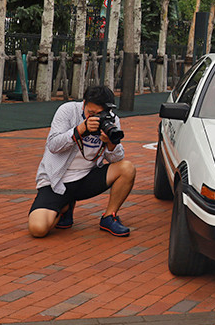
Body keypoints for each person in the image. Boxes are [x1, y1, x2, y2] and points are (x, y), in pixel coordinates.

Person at [28, 86, 136, 238]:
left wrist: (111, 144)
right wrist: (80, 129)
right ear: (84, 103)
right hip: (56, 181)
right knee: (37, 229)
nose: (95, 118)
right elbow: (53, 145)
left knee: (127, 168)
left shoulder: (112, 120)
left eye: (100, 114)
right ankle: (65, 207)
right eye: (90, 113)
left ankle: (109, 216)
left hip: (86, 179)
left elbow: (117, 160)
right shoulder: (67, 110)